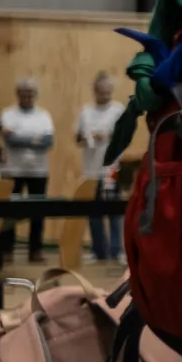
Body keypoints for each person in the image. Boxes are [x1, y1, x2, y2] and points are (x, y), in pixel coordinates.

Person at [0, 77, 53, 267]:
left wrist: (21, 138)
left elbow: (47, 142)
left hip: (39, 171)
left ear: (35, 95)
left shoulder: (43, 115)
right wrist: (33, 140)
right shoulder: (8, 114)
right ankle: (6, 250)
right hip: (12, 170)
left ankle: (35, 250)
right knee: (9, 212)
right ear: (18, 95)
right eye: (24, 94)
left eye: (30, 94)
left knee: (38, 211)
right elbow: (10, 140)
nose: (27, 97)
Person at [76, 71, 126, 262]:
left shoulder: (118, 110)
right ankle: (99, 250)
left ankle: (116, 250)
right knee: (93, 209)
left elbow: (124, 136)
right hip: (90, 169)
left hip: (111, 169)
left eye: (107, 92)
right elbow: (77, 137)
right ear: (94, 91)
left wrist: (108, 136)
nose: (104, 95)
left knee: (113, 208)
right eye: (100, 92)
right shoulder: (86, 111)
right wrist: (85, 136)